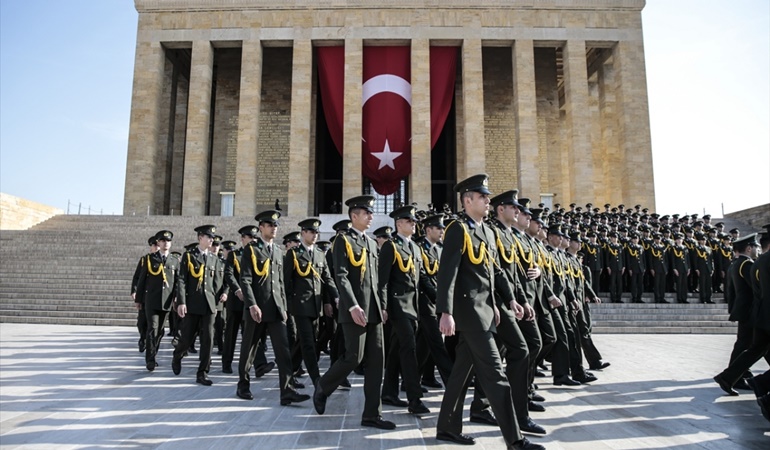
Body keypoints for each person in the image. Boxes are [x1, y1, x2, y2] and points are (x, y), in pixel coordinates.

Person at [435, 174, 544, 450]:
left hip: (486, 311)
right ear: (467, 200)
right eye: (482, 197)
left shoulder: (486, 231)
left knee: (460, 373)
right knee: (496, 375)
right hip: (470, 314)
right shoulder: (457, 229)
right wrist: (445, 312)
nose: (487, 201)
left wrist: (506, 301)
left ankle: (447, 426)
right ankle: (515, 440)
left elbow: (493, 272)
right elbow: (447, 273)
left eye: (487, 197)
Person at [313, 196, 395, 431]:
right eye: (366, 213)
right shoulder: (343, 241)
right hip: (355, 311)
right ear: (354, 216)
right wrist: (351, 305)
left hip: (374, 312)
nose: (371, 217)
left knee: (377, 363)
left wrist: (382, 306)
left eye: (371, 213)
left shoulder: (370, 243)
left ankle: (372, 414)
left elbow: (377, 281)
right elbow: (341, 276)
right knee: (353, 357)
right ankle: (323, 386)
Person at [236, 210, 310, 406]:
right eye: (270, 225)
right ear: (261, 227)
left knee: (283, 350)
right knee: (249, 349)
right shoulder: (251, 250)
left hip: (276, 309)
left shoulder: (278, 251)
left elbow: (280, 283)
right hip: (257, 309)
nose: (274, 228)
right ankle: (243, 384)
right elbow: (246, 279)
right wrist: (251, 304)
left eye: (275, 225)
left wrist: (284, 307)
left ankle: (287, 391)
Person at [378, 205, 431, 415]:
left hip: (413, 307)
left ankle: (389, 393)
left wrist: (442, 297)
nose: (414, 225)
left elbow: (423, 278)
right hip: (398, 306)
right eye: (410, 222)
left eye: (414, 222)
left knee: (395, 350)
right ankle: (414, 398)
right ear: (399, 224)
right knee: (409, 350)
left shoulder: (416, 248)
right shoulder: (391, 247)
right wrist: (383, 306)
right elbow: (382, 281)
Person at [284, 218, 338, 387]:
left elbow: (327, 279)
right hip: (300, 306)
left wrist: (335, 296)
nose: (315, 235)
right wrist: (287, 306)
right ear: (303, 233)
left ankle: (287, 373)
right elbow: (286, 282)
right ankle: (316, 379)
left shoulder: (320, 254)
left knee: (303, 342)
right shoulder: (294, 253)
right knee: (308, 343)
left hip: (315, 306)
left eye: (316, 232)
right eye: (311, 232)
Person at [172, 225, 223, 386]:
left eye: (213, 238)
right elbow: (181, 280)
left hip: (209, 305)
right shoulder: (190, 256)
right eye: (208, 237)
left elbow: (217, 283)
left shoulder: (214, 258)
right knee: (186, 338)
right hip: (193, 304)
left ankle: (203, 372)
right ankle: (178, 354)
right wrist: (181, 302)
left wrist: (219, 298)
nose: (212, 240)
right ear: (200, 238)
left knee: (208, 338)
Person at [714, 234, 763, 395]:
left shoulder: (736, 263)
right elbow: (756, 287)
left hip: (744, 309)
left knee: (749, 345)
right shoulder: (746, 264)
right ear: (749, 248)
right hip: (749, 310)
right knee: (746, 345)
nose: (757, 250)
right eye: (755, 247)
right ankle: (733, 376)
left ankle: (738, 374)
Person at [135, 230, 179, 371]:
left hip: (166, 301)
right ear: (158, 243)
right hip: (151, 300)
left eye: (168, 241)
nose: (166, 243)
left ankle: (154, 353)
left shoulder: (174, 260)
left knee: (160, 331)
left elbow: (178, 282)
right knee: (152, 328)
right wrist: (139, 299)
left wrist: (177, 297)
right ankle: (150, 359)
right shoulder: (149, 259)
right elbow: (141, 281)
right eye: (163, 241)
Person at [131, 236, 158, 352]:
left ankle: (150, 344)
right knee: (142, 322)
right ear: (151, 247)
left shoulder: (164, 260)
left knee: (154, 325)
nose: (156, 247)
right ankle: (143, 338)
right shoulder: (144, 260)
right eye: (154, 245)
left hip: (156, 296)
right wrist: (134, 291)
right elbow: (137, 277)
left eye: (158, 245)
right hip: (144, 295)